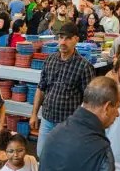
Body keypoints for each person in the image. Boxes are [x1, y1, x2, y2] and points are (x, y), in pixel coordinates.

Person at [29, 24, 97, 157]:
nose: (62, 42)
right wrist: (34, 114)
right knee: (42, 155)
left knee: (64, 159)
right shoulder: (50, 60)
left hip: (69, 125)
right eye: (60, 37)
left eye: (67, 38)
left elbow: (89, 101)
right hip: (47, 120)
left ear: (76, 39)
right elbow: (41, 88)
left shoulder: (84, 66)